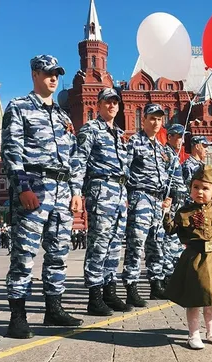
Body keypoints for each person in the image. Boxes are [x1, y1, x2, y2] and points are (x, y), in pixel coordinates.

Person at [1, 54, 83, 339]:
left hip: (61, 193)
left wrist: (75, 191)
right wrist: (22, 187)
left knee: (59, 253)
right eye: (47, 72)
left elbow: (73, 158)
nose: (53, 78)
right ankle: (18, 317)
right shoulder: (19, 107)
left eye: (57, 73)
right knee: (24, 254)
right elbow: (12, 151)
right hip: (33, 188)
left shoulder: (63, 116)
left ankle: (54, 309)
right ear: (34, 74)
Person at [162, 165, 212, 350]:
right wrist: (166, 212)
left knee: (211, 299)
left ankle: (211, 332)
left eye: (205, 188)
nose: (199, 191)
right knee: (194, 299)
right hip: (194, 259)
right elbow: (171, 229)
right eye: (196, 187)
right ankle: (193, 334)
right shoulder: (184, 212)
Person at [77, 88, 132, 316]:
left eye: (114, 102)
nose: (111, 106)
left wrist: (125, 193)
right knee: (99, 244)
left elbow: (125, 167)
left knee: (115, 245)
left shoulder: (119, 134)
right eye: (107, 102)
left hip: (119, 194)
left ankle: (110, 291)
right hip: (101, 191)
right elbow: (79, 161)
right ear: (98, 106)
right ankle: (94, 297)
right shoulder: (90, 129)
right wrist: (76, 194)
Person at [122, 103, 169, 307]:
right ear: (144, 120)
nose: (156, 122)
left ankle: (155, 285)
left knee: (156, 244)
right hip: (140, 197)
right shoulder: (135, 142)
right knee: (136, 243)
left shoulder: (160, 147)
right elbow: (125, 170)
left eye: (159, 119)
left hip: (158, 201)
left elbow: (164, 175)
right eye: (152, 118)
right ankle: (131, 287)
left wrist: (168, 196)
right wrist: (126, 196)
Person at [162, 124, 189, 286]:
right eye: (178, 136)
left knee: (175, 242)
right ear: (170, 137)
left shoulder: (175, 155)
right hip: (170, 206)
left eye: (183, 137)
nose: (181, 140)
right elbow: (162, 177)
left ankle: (173, 276)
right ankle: (167, 277)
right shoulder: (165, 153)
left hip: (178, 206)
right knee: (167, 241)